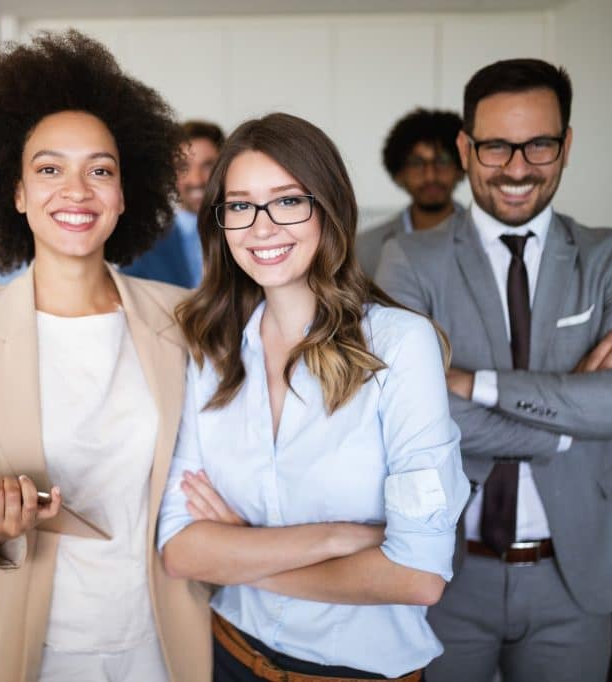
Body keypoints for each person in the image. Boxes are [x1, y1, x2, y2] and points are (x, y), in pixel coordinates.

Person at [0, 30, 211, 682]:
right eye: (49, 169)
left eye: (99, 170)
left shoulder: (183, 317)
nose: (76, 190)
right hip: (29, 642)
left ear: (125, 191)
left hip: (160, 633)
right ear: (16, 192)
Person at [157, 112, 470, 681]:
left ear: (329, 208)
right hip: (229, 653)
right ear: (221, 222)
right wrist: (336, 540)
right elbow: (180, 550)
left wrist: (242, 553)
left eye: (287, 201)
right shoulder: (213, 349)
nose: (261, 226)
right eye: (240, 206)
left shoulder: (400, 346)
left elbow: (417, 577)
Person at [375, 58, 612, 682]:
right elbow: (408, 418)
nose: (517, 167)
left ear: (566, 144)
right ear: (465, 147)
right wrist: (575, 415)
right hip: (444, 570)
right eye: (496, 146)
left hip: (575, 574)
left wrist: (478, 385)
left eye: (539, 144)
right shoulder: (407, 260)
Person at [357, 108, 465, 277]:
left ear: (461, 168)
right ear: (399, 173)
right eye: (417, 163)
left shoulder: (487, 240)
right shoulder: (366, 248)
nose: (430, 175)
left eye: (442, 161)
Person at [123, 120, 224, 288]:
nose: (196, 180)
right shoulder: (141, 251)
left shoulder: (251, 234)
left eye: (208, 166)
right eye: (183, 166)